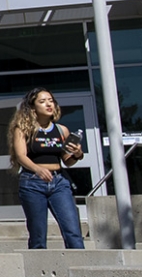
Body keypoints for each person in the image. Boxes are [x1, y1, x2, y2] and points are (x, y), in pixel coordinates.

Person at [10, 88, 86, 249]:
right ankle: (37, 271)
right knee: (38, 234)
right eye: (42, 101)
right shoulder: (23, 129)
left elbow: (67, 161)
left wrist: (78, 154)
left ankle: (81, 267)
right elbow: (21, 156)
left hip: (59, 182)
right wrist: (37, 169)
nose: (48, 104)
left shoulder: (61, 130)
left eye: (51, 100)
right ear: (32, 107)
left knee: (72, 230)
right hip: (32, 183)